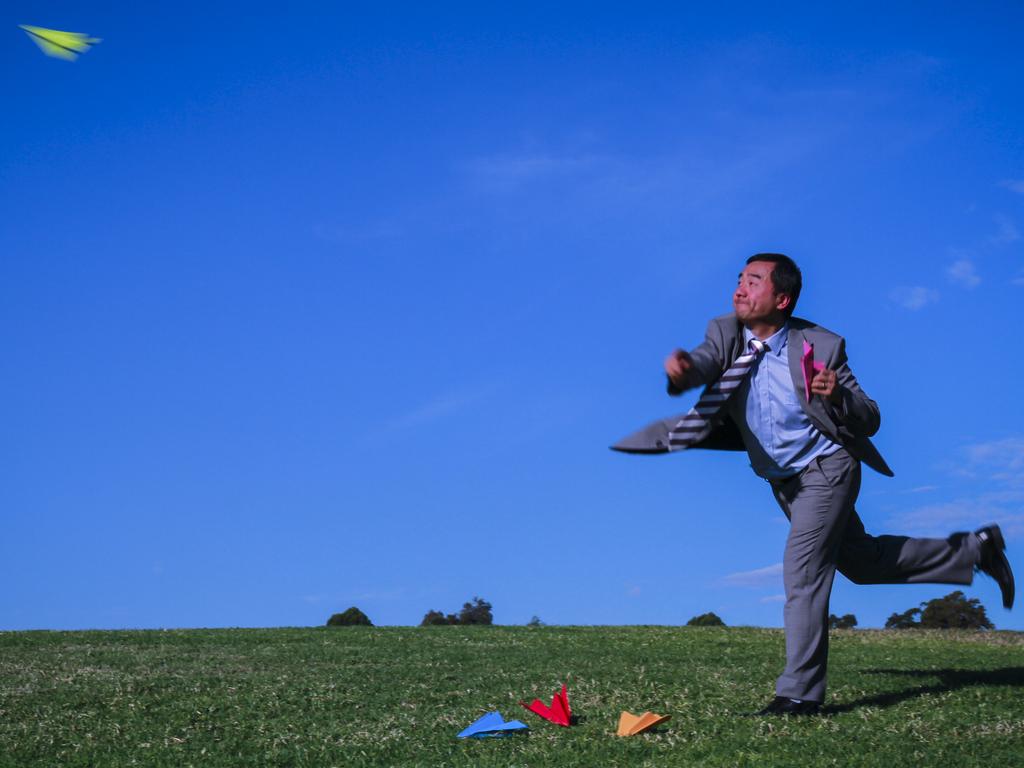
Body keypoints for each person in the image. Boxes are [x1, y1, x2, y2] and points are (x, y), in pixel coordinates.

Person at [615, 253, 1014, 715]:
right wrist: (683, 372)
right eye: (739, 280)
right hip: (784, 481)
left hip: (829, 468)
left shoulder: (820, 345)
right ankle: (975, 549)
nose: (740, 290)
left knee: (802, 571)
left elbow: (871, 417)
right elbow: (704, 363)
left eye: (753, 282)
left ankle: (799, 694)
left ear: (781, 298)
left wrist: (838, 394)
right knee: (862, 564)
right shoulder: (725, 334)